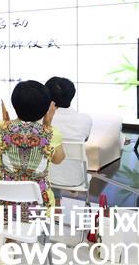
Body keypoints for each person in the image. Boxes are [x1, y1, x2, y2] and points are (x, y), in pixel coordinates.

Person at [0, 81, 65, 217]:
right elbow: (58, 159)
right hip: (40, 206)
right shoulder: (52, 133)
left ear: (14, 104)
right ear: (45, 109)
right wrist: (47, 126)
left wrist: (4, 126)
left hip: (2, 204)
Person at [45, 76, 93, 206]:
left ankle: (56, 203)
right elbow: (85, 138)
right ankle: (59, 202)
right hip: (76, 179)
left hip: (45, 178)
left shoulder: (41, 121)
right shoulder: (85, 119)